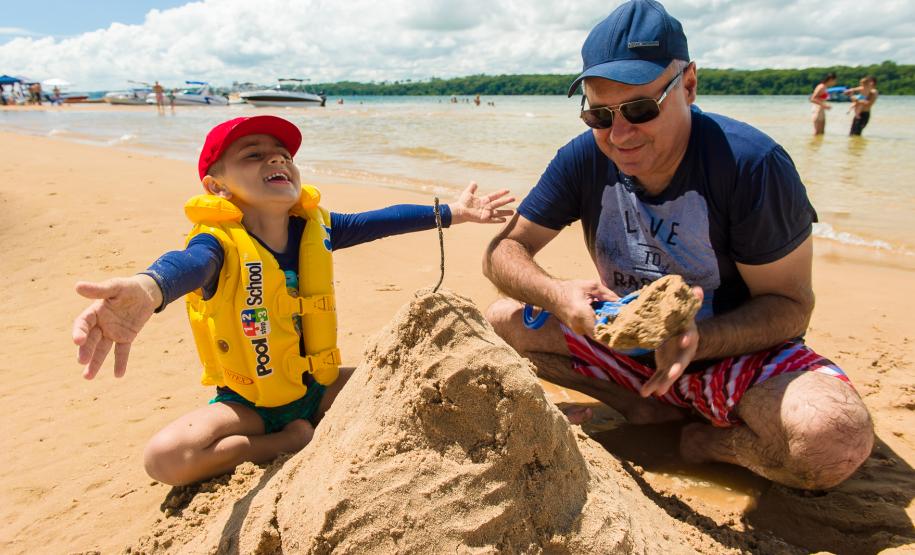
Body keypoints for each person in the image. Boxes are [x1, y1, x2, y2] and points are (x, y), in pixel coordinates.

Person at [482, 0, 873, 490]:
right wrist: (556, 295)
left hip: (733, 353)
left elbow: (792, 307)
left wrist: (700, 340)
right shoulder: (583, 157)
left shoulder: (751, 165)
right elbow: (503, 250)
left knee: (833, 442)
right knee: (500, 321)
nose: (619, 134)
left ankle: (706, 443)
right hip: (626, 346)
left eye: (640, 110)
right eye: (599, 115)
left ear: (688, 85)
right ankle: (642, 407)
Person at [72, 115, 514, 486]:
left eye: (283, 153)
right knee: (164, 458)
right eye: (253, 154)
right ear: (216, 186)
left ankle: (307, 426)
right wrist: (150, 288)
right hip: (250, 407)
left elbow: (381, 220)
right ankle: (287, 442)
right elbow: (184, 265)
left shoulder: (315, 229)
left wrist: (455, 212)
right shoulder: (217, 246)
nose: (276, 157)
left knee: (419, 377)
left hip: (320, 387)